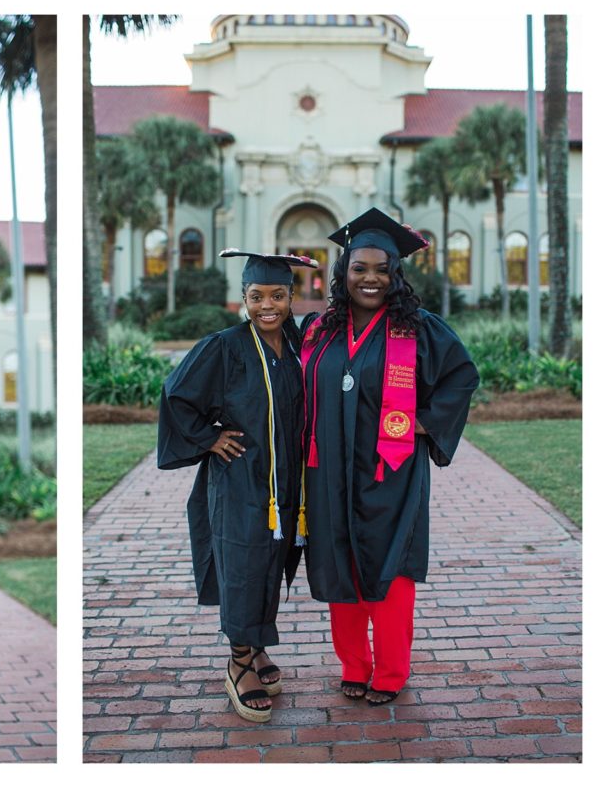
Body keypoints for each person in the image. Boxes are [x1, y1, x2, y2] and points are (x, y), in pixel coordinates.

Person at [299, 208, 478, 706]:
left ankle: (392, 672)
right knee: (340, 567)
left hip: (390, 470)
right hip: (329, 471)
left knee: (390, 568)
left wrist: (423, 421)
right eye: (360, 268)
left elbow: (461, 376)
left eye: (382, 269)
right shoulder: (320, 330)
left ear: (396, 274)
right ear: (344, 273)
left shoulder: (418, 328)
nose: (371, 278)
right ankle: (354, 666)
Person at [157, 250, 315, 723]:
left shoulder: (297, 341)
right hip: (242, 479)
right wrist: (209, 438)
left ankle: (258, 644)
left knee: (274, 558)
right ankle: (238, 661)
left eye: (277, 295)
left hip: (286, 479)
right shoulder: (224, 345)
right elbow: (177, 394)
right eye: (256, 296)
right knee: (244, 562)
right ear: (243, 299)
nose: (268, 305)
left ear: (291, 297)